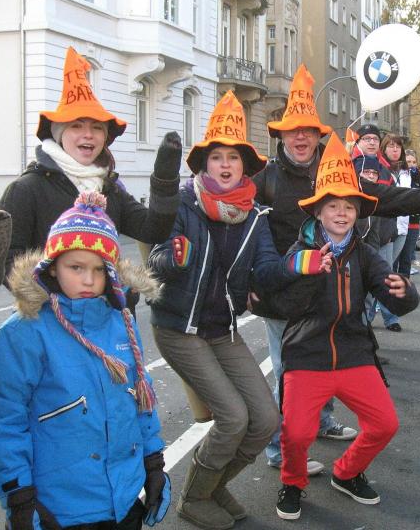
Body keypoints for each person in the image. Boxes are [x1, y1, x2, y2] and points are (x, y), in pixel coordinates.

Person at [251, 65, 420, 476]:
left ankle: (322, 421)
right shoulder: (265, 179)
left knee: (327, 361)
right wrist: (250, 285)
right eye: (293, 132)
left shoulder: (334, 168)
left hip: (330, 288)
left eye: (308, 131)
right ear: (281, 136)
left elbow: (378, 196)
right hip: (284, 292)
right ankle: (282, 450)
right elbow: (240, 232)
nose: (301, 138)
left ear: (317, 135)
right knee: (288, 372)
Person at [148, 91, 304, 530]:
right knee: (233, 418)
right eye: (216, 156)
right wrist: (174, 258)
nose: (225, 163)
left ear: (244, 166)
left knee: (265, 419)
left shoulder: (254, 216)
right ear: (204, 164)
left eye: (233, 157)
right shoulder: (183, 203)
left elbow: (266, 269)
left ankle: (214, 486)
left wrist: (297, 265)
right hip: (180, 327)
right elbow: (155, 259)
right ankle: (195, 497)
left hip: (222, 329)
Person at [0, 192, 168, 529]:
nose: (89, 280)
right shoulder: (24, 331)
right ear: (53, 266)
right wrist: (19, 495)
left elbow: (141, 399)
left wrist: (153, 463)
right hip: (58, 509)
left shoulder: (120, 322)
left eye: (99, 269)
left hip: (122, 501)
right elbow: (5, 420)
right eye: (75, 267)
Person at [272, 133, 420, 521]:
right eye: (333, 206)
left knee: (385, 424)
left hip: (354, 353)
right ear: (318, 213)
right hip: (307, 354)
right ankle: (292, 481)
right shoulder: (300, 252)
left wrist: (405, 292)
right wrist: (308, 274)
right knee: (297, 433)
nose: (341, 213)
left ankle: (347, 472)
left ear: (358, 213)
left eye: (349, 207)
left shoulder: (365, 254)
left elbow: (393, 297)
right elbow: (283, 304)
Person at [0, 47, 182, 281]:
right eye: (76, 126)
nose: (88, 134)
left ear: (104, 137)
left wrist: (165, 178)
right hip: (49, 305)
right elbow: (8, 263)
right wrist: (57, 295)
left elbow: (153, 230)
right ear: (59, 134)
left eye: (96, 128)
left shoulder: (109, 190)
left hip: (106, 305)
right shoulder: (26, 189)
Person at [368, 134, 411, 332]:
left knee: (388, 271)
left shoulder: (405, 172)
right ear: (383, 149)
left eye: (398, 147)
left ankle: (379, 316)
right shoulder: (378, 168)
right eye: (391, 146)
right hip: (382, 230)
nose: (395, 150)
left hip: (400, 226)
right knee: (384, 274)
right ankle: (383, 317)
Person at [396, 150, 420, 277]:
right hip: (398, 222)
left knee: (407, 257)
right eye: (408, 161)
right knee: (395, 257)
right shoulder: (398, 176)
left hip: (413, 222)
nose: (411, 164)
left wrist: (417, 176)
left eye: (414, 162)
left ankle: (405, 282)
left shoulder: (417, 177)